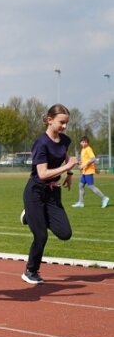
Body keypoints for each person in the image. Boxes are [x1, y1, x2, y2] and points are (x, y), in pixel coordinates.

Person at [19, 104, 78, 284]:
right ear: (50, 120)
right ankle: (30, 271)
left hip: (53, 193)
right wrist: (67, 167)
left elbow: (65, 155)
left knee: (65, 233)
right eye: (61, 122)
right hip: (35, 192)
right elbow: (43, 173)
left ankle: (29, 216)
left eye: (67, 123)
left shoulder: (65, 140)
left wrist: (69, 174)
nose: (64, 127)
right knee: (41, 236)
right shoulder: (41, 143)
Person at [71, 136, 110, 209]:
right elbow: (86, 160)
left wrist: (84, 165)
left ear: (88, 143)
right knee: (81, 186)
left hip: (89, 171)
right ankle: (81, 202)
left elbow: (93, 159)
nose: (84, 143)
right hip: (84, 172)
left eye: (86, 142)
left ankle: (104, 198)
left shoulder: (88, 149)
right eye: (83, 142)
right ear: (80, 142)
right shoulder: (83, 149)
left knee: (91, 186)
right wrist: (80, 163)